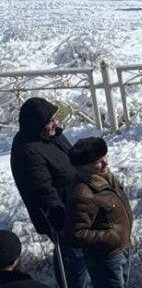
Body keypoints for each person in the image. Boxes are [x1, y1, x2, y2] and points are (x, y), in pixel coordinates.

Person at [10, 98, 89, 288]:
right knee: (72, 260)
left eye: (55, 117)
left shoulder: (50, 136)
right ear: (36, 124)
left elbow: (70, 156)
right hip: (62, 218)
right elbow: (42, 190)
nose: (56, 123)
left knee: (78, 257)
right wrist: (60, 219)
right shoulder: (28, 151)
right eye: (50, 120)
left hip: (76, 207)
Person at [64, 138, 132, 288]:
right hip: (106, 258)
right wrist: (112, 236)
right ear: (83, 167)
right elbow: (76, 234)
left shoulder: (104, 176)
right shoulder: (82, 193)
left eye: (105, 157)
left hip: (122, 248)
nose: (106, 163)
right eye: (99, 162)